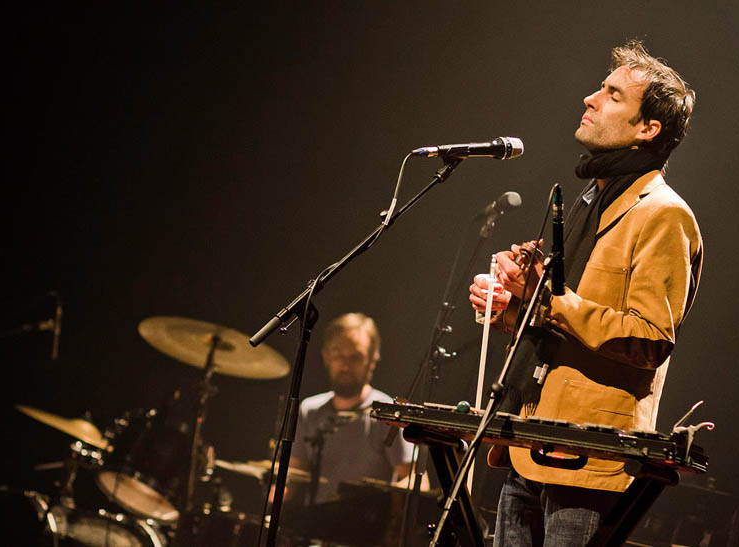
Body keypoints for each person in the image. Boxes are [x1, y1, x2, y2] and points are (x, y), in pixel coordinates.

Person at [469, 40, 703, 546]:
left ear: (647, 129)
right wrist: (512, 306)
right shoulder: (587, 199)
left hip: (588, 457)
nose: (590, 99)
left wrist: (547, 299)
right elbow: (559, 318)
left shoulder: (664, 214)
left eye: (612, 94)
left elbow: (650, 337)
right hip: (531, 435)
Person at [289, 312, 424, 506]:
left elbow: (416, 480)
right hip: (315, 526)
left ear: (373, 359)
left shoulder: (387, 413)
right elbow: (293, 475)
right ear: (326, 357)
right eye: (338, 355)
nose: (345, 365)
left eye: (355, 357)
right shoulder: (309, 409)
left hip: (367, 529)